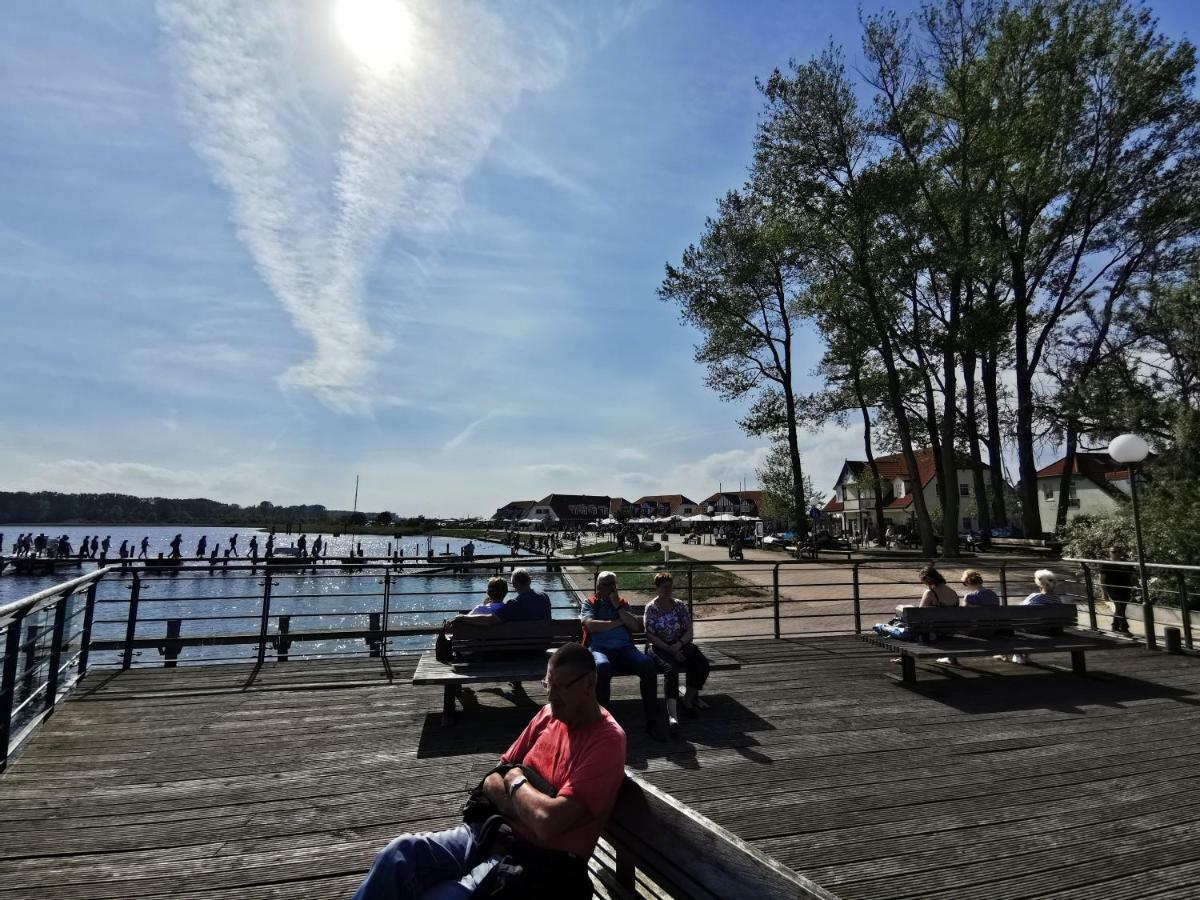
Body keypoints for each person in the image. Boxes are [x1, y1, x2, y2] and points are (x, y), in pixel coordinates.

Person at [353, 643, 625, 900]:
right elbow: (493, 779)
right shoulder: (547, 715)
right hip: (488, 833)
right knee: (398, 853)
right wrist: (526, 802)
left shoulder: (606, 741)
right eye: (547, 685)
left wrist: (517, 780)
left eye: (561, 687)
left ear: (590, 683)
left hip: (532, 863)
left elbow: (546, 822)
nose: (552, 697)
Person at [581, 571, 664, 740]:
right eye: (607, 584)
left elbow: (634, 625)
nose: (612, 588)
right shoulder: (590, 603)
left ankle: (652, 720)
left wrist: (617, 606)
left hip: (625, 649)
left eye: (614, 584)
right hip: (600, 648)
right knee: (602, 667)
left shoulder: (622, 603)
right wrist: (618, 622)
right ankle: (603, 724)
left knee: (647, 665)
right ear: (598, 587)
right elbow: (591, 626)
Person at [643, 572, 710, 736]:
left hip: (680, 644)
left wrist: (679, 645)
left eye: (670, 586)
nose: (668, 590)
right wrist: (670, 649)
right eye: (664, 587)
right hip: (658, 647)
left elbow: (689, 629)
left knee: (702, 664)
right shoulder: (651, 608)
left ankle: (687, 700)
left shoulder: (679, 605)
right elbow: (650, 635)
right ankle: (673, 717)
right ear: (657, 588)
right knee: (670, 670)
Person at [997, 570, 1062, 665]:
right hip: (1049, 629)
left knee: (1008, 626)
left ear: (1039, 584)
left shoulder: (1035, 597)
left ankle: (1014, 654)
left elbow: (1019, 610)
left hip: (1033, 629)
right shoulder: (1057, 599)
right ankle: (1024, 656)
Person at [1100, 546, 1134, 635]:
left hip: (1126, 589)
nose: (1116, 554)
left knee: (1121, 608)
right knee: (1120, 607)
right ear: (1109, 553)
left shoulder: (1126, 564)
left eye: (1118, 552)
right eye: (1113, 552)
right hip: (1113, 589)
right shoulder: (1106, 564)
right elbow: (1102, 579)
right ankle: (1124, 628)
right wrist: (1104, 593)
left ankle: (1115, 626)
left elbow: (1133, 577)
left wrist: (1138, 587)